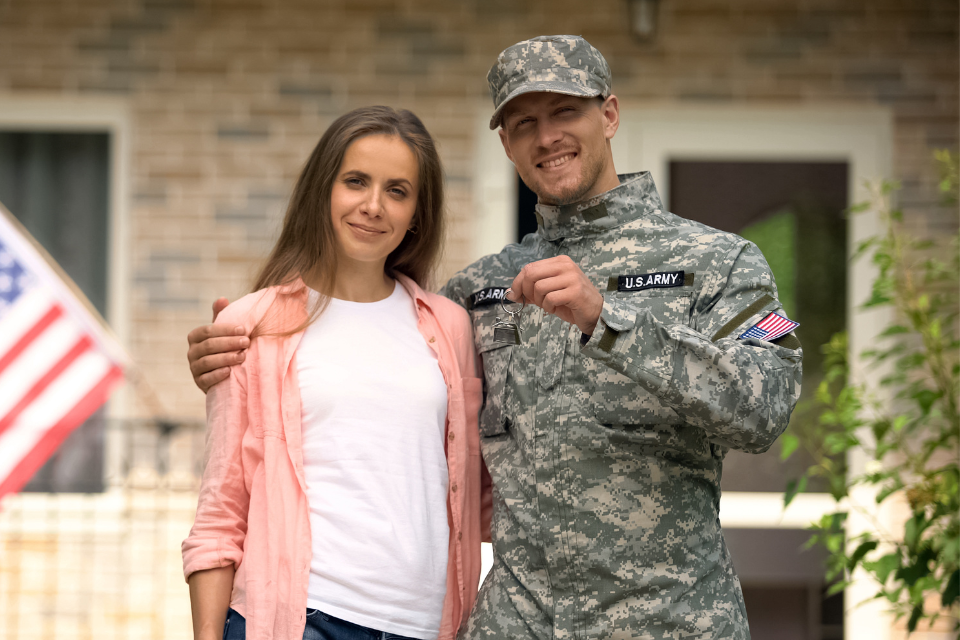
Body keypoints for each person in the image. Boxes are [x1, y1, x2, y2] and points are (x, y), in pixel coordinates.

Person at [187, 37, 803, 639]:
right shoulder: (476, 293)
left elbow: (768, 407)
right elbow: (380, 387)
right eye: (523, 122)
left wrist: (607, 322)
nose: (547, 136)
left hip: (669, 622)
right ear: (506, 143)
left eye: (565, 110)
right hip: (513, 622)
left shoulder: (722, 262)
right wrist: (236, 360)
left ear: (609, 115)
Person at [181, 105, 490, 640]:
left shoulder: (451, 328)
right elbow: (221, 511)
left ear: (417, 214)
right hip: (301, 621)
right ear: (323, 189)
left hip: (427, 626)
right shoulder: (252, 325)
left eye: (397, 191)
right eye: (356, 181)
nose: (373, 206)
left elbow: (476, 488)